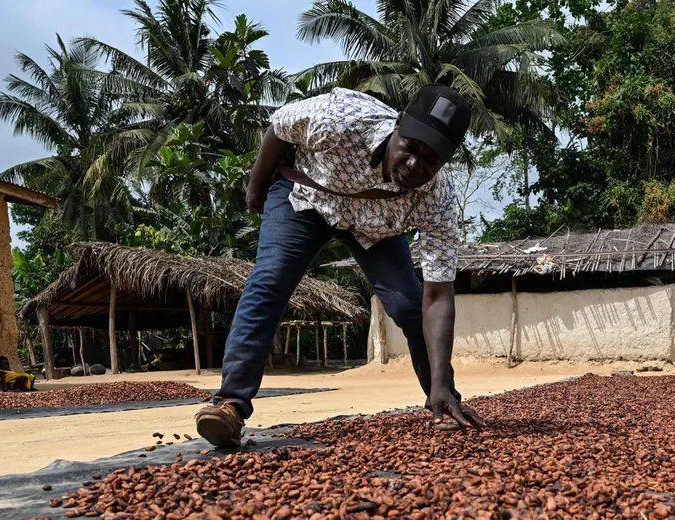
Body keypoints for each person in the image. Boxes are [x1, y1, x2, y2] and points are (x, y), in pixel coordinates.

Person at [194, 84, 485, 448]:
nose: (414, 166)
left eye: (430, 161)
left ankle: (443, 398)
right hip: (306, 198)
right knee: (270, 281)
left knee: (410, 306)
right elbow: (278, 129)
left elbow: (438, 294)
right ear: (398, 127)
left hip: (374, 227)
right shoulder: (340, 119)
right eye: (409, 149)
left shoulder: (438, 198)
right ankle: (230, 403)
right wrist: (256, 184)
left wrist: (442, 383)